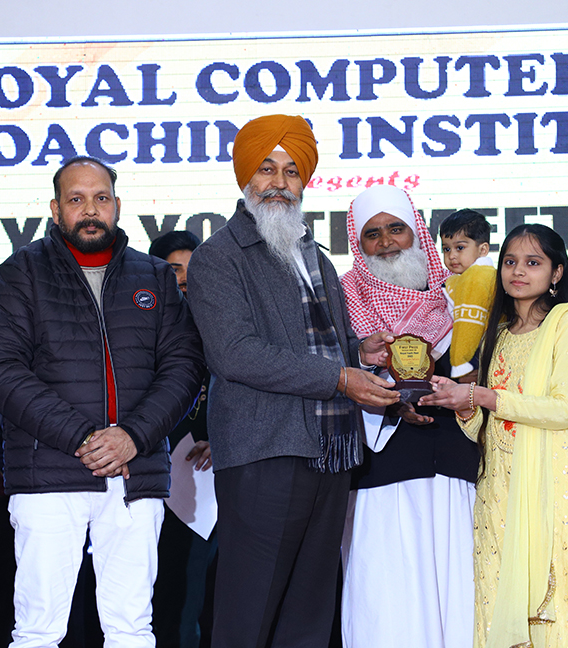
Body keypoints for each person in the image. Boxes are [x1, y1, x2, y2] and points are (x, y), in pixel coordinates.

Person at [186, 114, 399, 648]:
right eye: (266, 169)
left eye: (291, 171)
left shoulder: (313, 254)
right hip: (265, 452)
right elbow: (235, 354)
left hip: (330, 449)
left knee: (309, 615)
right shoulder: (218, 257)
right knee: (249, 614)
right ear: (245, 177)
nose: (279, 183)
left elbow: (319, 342)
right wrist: (341, 377)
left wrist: (359, 351)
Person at [0, 155, 204, 648]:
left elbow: (184, 368)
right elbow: (0, 371)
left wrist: (132, 437)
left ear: (117, 205)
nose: (90, 209)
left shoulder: (155, 276)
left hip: (134, 476)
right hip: (48, 476)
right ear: (55, 209)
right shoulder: (17, 274)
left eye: (101, 198)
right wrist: (84, 438)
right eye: (76, 199)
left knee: (132, 629)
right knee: (38, 632)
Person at [426, 223, 568, 648]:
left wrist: (481, 394)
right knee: (497, 594)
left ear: (556, 272)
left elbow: (562, 409)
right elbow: (484, 427)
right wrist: (461, 404)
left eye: (533, 262)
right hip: (499, 486)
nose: (518, 271)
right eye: (510, 262)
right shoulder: (498, 334)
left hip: (554, 481)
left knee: (560, 599)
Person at [338, 184, 479, 648]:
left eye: (396, 228)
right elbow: (327, 378)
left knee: (458, 598)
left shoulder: (457, 298)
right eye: (372, 234)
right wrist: (384, 398)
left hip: (454, 472)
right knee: (387, 605)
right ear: (358, 244)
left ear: (416, 232)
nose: (386, 242)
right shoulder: (341, 303)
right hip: (380, 474)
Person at [148, 229, 217, 648]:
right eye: (175, 270)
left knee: (203, 583)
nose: (186, 280)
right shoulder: (141, 329)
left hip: (210, 475)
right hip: (152, 470)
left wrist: (220, 440)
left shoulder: (221, 328)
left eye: (194, 270)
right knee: (161, 580)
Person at [439, 209, 496, 379]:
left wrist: (461, 365)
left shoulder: (476, 277)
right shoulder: (465, 277)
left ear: (483, 249)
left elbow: (469, 324)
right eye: (446, 249)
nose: (452, 256)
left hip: (474, 361)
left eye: (460, 248)